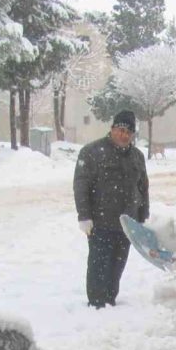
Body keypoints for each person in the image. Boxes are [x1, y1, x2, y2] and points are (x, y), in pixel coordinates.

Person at [73, 110, 149, 308]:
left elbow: (143, 189)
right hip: (100, 223)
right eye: (121, 130)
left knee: (117, 268)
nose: (124, 135)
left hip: (127, 225)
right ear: (113, 128)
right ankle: (97, 305)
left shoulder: (137, 157)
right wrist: (84, 216)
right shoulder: (92, 152)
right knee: (99, 266)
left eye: (129, 132)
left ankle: (110, 302)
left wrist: (143, 219)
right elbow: (81, 186)